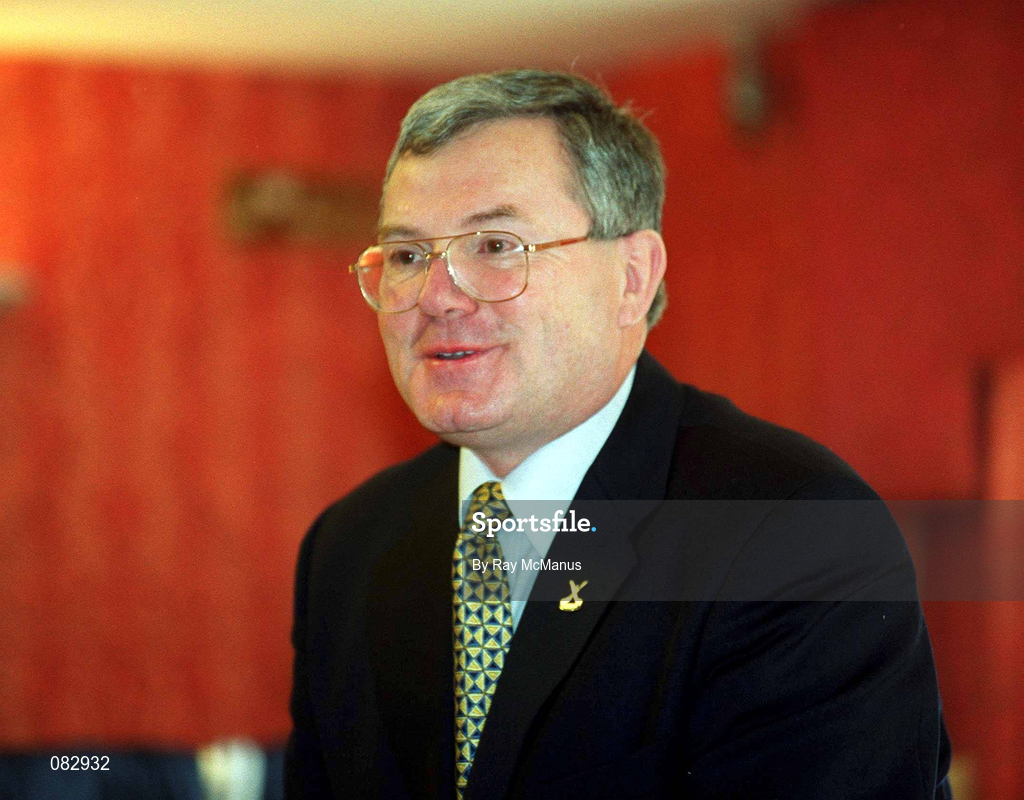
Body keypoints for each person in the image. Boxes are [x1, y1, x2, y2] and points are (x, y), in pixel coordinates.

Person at [285, 69, 952, 799]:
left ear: (633, 278)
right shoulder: (348, 550)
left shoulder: (793, 532)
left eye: (497, 246)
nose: (437, 296)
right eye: (410, 255)